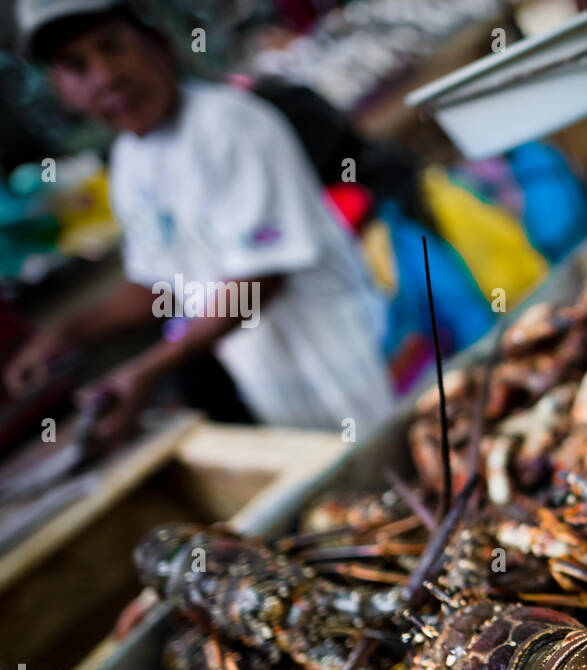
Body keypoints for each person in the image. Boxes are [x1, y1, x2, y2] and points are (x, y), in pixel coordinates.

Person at [5, 0, 396, 441]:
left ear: (157, 45)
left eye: (112, 47)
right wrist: (65, 333)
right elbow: (158, 281)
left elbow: (260, 277)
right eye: (76, 67)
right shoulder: (130, 164)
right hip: (277, 387)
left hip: (354, 360)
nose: (105, 76)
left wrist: (150, 368)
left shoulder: (230, 123)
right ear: (62, 90)